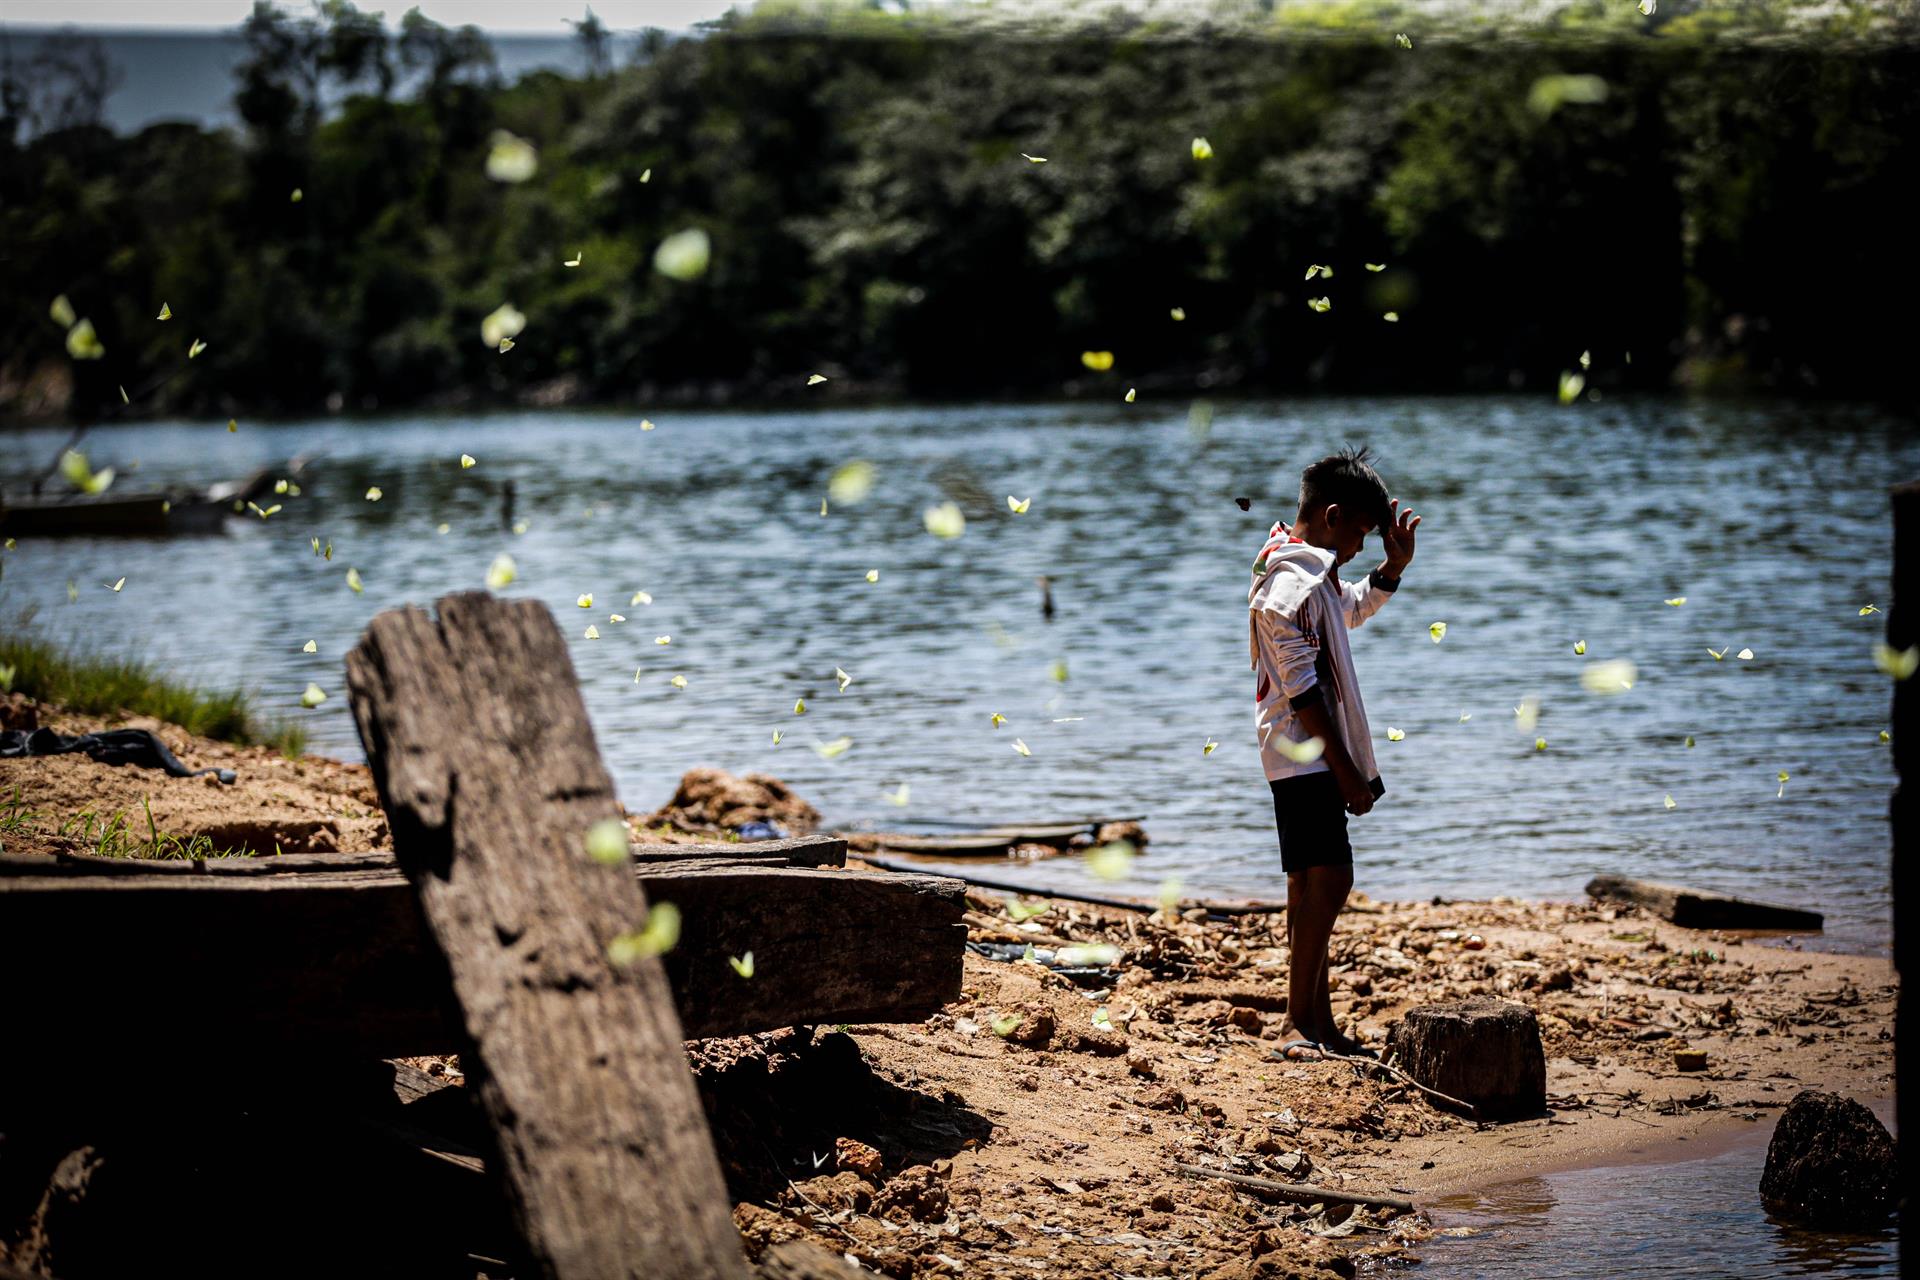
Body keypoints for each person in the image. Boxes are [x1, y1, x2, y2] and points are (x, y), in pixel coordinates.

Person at [1247, 446, 1419, 1059]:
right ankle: (1297, 1023)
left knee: (1309, 882)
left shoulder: (1308, 573)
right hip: (1304, 751)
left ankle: (1318, 1020)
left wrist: (1392, 572)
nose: (1360, 550)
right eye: (1361, 536)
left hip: (1300, 752)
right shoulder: (1289, 584)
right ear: (1332, 515)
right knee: (1333, 877)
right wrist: (1347, 772)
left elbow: (1348, 610)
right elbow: (1303, 690)